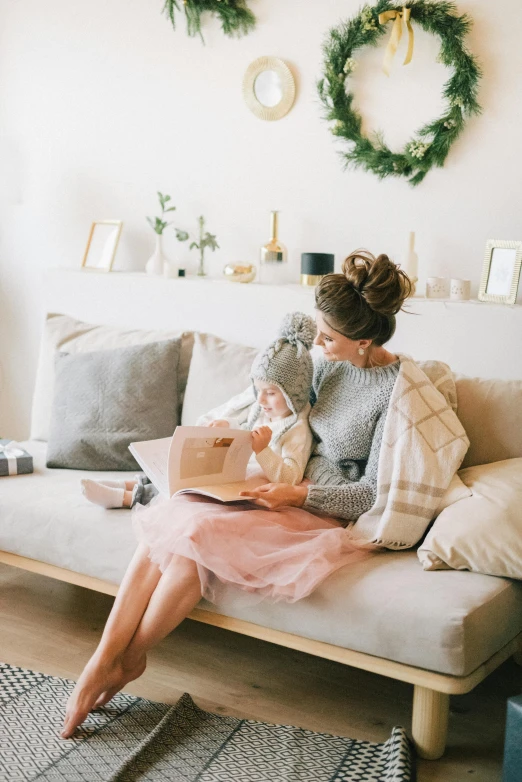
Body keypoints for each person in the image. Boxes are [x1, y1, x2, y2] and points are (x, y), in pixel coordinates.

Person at [61, 249, 411, 739]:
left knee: (197, 534)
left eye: (328, 338)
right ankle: (104, 660)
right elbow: (274, 409)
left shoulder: (395, 390)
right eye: (318, 331)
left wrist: (297, 494)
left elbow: (369, 492)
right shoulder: (324, 362)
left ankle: (130, 658)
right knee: (178, 514)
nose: (318, 343)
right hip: (270, 483)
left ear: (365, 340)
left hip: (313, 506)